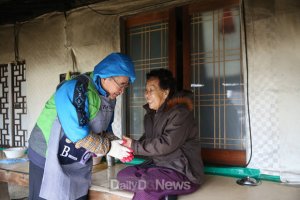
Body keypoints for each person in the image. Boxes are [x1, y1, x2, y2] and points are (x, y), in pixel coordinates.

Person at [27, 52, 135, 200]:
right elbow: (78, 136)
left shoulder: (110, 97)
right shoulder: (77, 89)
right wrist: (110, 148)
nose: (122, 91)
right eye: (121, 84)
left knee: (77, 195)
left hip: (75, 158)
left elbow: (105, 130)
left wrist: (117, 143)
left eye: (126, 85)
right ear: (106, 77)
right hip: (46, 153)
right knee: (48, 195)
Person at [117, 68, 204, 200]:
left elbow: (165, 144)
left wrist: (134, 145)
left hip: (183, 172)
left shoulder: (180, 113)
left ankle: (158, 187)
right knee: (123, 176)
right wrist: (128, 149)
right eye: (146, 90)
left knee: (146, 185)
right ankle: (162, 188)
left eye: (151, 90)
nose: (146, 95)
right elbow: (147, 141)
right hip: (159, 166)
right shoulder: (151, 115)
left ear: (165, 92)